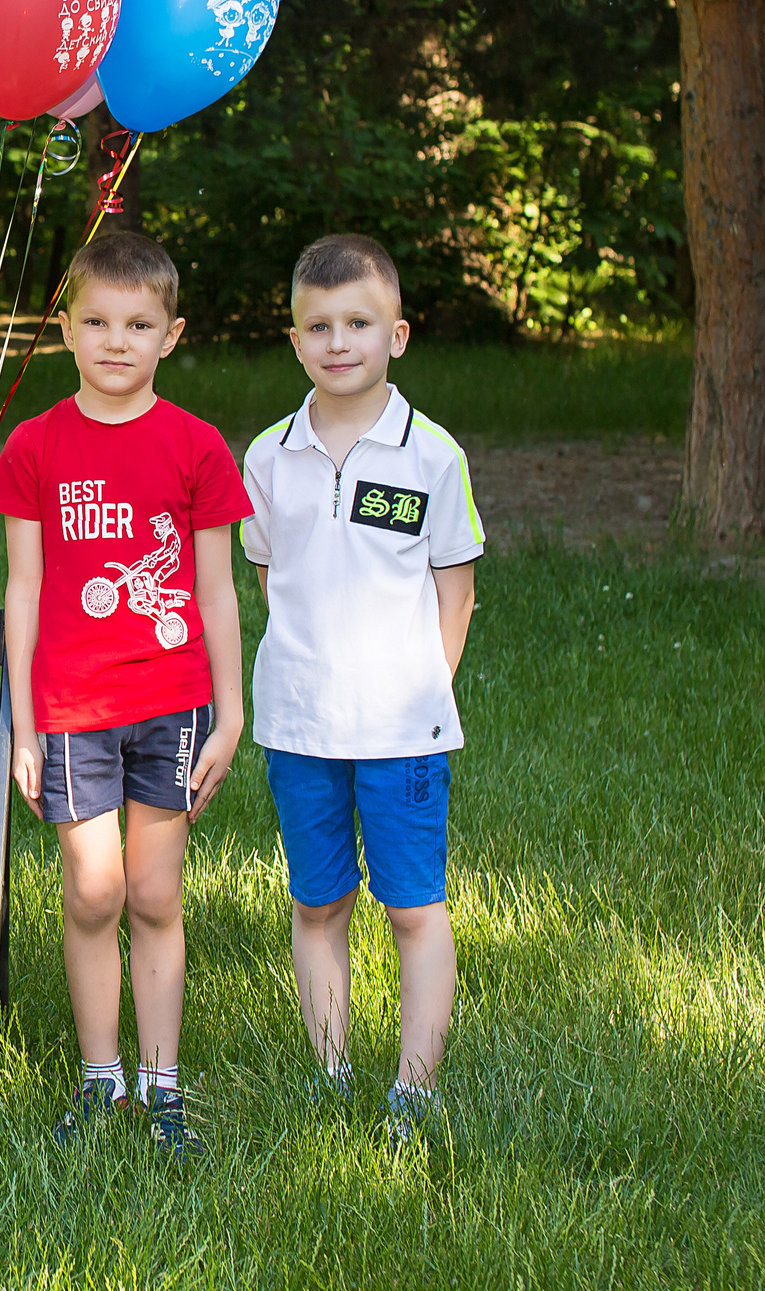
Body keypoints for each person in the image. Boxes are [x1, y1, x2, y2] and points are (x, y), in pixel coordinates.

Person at [0, 231, 251, 1159]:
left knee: (154, 892)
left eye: (138, 324)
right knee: (93, 893)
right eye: (95, 321)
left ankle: (162, 1081)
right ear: (65, 329)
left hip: (173, 703)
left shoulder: (198, 446)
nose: (115, 340)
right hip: (70, 708)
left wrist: (232, 711)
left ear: (171, 335)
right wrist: (21, 714)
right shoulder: (35, 445)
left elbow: (218, 591)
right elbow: (23, 588)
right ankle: (100, 1075)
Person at [240, 233, 482, 1144]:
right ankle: (331, 1071)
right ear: (296, 341)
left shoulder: (432, 456)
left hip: (403, 728)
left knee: (413, 905)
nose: (339, 341)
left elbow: (454, 592)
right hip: (299, 722)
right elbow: (269, 576)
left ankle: (414, 1088)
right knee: (317, 900)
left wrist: (418, 688)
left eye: (359, 323)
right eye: (319, 326)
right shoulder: (268, 455)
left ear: (399, 334)